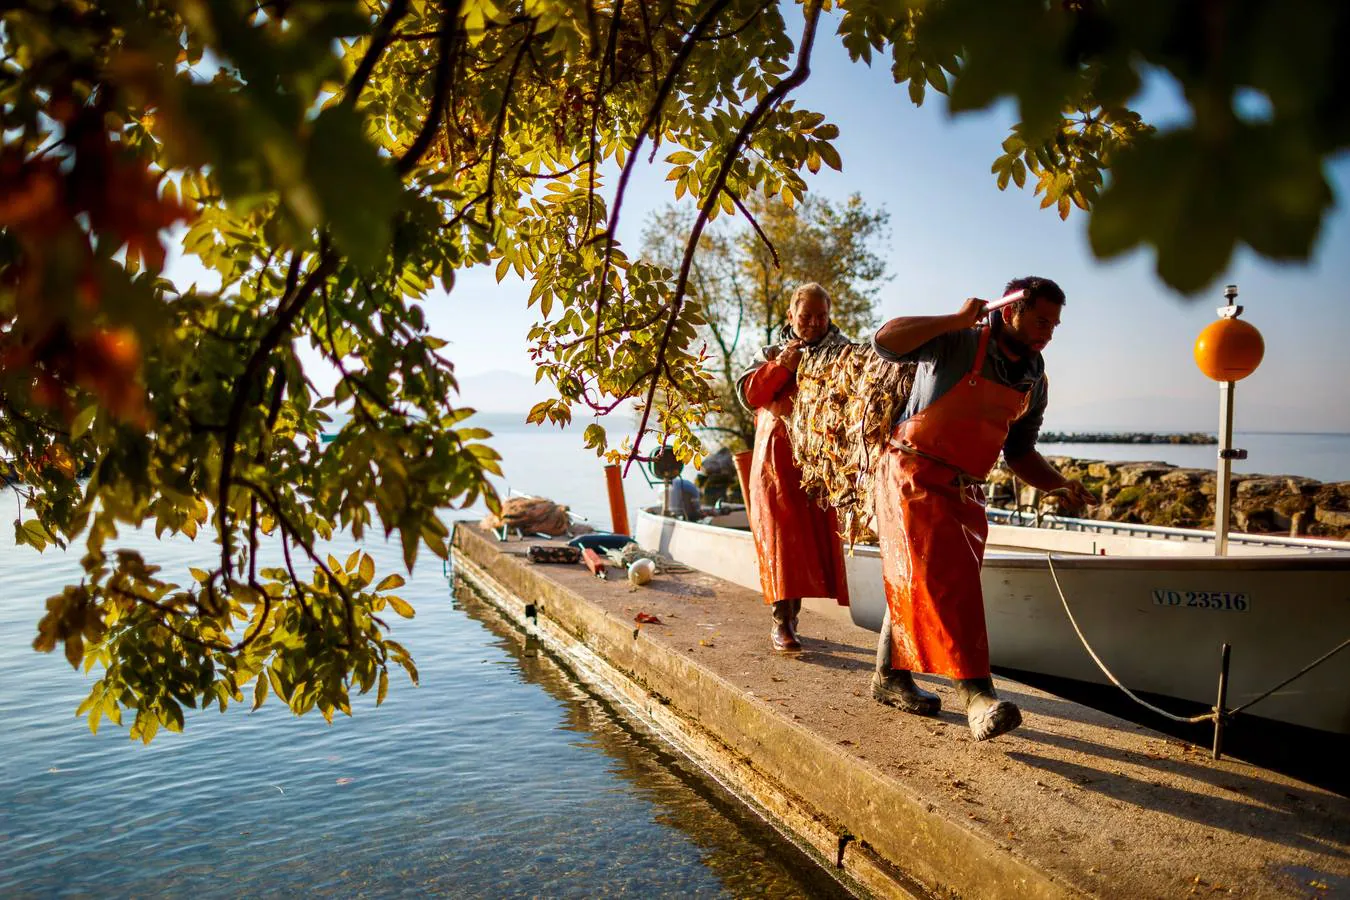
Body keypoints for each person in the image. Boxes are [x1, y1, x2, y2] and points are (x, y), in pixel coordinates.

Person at [869, 277, 1094, 740]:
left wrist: (1057, 484)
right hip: (911, 471)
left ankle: (888, 678)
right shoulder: (957, 340)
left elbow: (1020, 452)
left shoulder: (1034, 378)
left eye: (1055, 324)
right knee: (945, 579)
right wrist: (953, 317)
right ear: (1010, 310)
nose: (1048, 331)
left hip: (965, 486)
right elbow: (885, 341)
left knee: (926, 576)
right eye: (1040, 320)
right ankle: (977, 699)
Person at [736, 283, 852, 651]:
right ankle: (782, 622)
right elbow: (749, 395)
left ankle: (793, 618)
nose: (814, 323)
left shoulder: (845, 352)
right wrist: (783, 365)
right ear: (791, 316)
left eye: (821, 316)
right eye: (806, 317)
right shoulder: (769, 352)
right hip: (775, 461)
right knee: (780, 539)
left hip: (822, 460)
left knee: (812, 542)